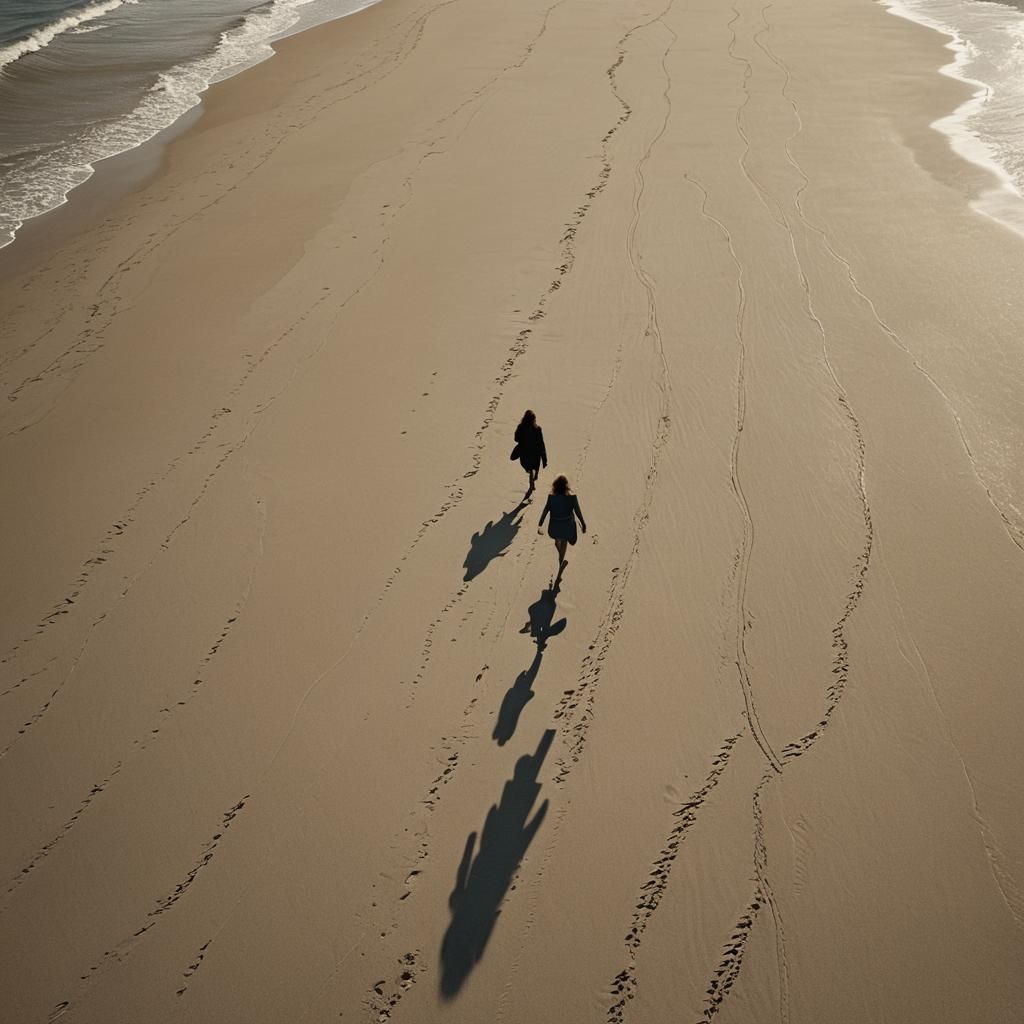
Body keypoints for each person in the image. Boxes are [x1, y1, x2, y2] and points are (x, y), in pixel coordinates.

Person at [537, 475, 586, 570]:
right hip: (568, 527)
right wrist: (583, 523)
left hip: (554, 527)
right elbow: (577, 511)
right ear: (566, 486)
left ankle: (561, 557)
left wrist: (540, 523)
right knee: (564, 540)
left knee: (557, 541)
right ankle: (561, 560)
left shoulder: (551, 497)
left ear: (555, 486)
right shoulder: (572, 498)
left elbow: (546, 510)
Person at [513, 410, 547, 491]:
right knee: (534, 466)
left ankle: (530, 472)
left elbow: (516, 439)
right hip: (536, 453)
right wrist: (544, 459)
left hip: (524, 452)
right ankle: (533, 473)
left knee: (527, 465)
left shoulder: (520, 427)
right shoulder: (538, 429)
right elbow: (541, 443)